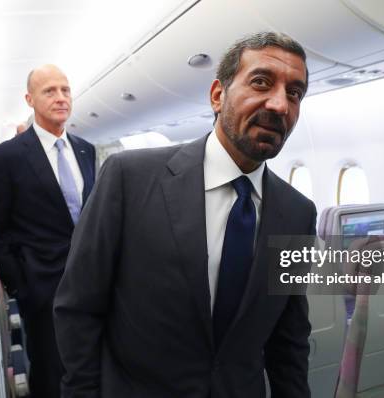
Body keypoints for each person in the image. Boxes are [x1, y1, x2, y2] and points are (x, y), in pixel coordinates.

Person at [54, 32, 316, 397]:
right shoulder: (128, 179)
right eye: (261, 82)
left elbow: (288, 343)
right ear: (217, 95)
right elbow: (79, 308)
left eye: (295, 93)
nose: (279, 105)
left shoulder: (297, 213)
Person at [0, 64, 96, 398]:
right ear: (29, 99)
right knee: (50, 373)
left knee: (92, 366)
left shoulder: (85, 149)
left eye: (65, 90)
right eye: (50, 91)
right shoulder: (6, 157)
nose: (61, 98)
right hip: (42, 290)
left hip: (92, 283)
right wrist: (22, 287)